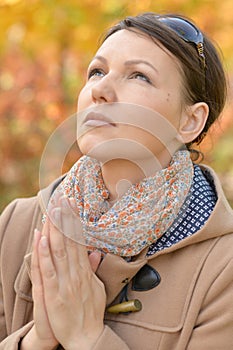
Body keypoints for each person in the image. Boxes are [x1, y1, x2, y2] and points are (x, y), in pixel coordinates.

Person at [0, 12, 233, 350]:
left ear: (190, 121)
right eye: (97, 71)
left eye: (139, 76)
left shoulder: (222, 269)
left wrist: (88, 338)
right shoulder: (17, 226)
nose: (101, 90)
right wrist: (37, 339)